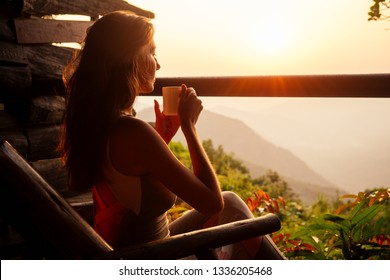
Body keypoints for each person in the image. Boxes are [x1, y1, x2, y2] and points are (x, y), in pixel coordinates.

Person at [59, 10, 284, 259]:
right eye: (151, 53)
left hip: (144, 251)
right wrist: (190, 128)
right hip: (156, 259)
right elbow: (211, 204)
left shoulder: (101, 123)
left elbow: (130, 181)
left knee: (231, 202)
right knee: (229, 206)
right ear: (129, 58)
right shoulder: (132, 131)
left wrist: (161, 139)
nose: (158, 64)